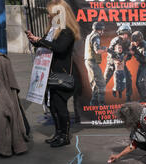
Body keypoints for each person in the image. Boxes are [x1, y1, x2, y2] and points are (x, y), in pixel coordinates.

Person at [26, 0, 81, 148]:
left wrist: (40, 41)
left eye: (51, 14)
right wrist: (35, 40)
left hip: (61, 75)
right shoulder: (54, 30)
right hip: (50, 73)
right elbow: (48, 45)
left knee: (59, 105)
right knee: (52, 105)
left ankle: (64, 136)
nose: (48, 17)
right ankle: (58, 133)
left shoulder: (66, 30)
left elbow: (59, 48)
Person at [104, 23, 133, 102]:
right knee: (104, 80)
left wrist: (125, 57)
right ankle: (96, 99)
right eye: (123, 34)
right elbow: (109, 51)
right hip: (112, 63)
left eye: (127, 34)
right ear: (120, 33)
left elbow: (129, 54)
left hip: (121, 64)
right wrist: (116, 58)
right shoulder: (115, 40)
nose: (125, 36)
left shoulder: (128, 42)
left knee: (129, 79)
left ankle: (128, 98)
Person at [84, 21, 107, 106]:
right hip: (92, 62)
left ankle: (93, 104)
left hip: (88, 61)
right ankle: (101, 104)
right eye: (102, 30)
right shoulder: (96, 36)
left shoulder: (89, 36)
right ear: (99, 29)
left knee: (94, 83)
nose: (102, 32)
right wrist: (105, 50)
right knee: (101, 83)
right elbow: (97, 51)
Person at [130, 31, 146, 102]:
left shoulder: (144, 45)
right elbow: (130, 51)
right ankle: (143, 98)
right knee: (137, 83)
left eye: (137, 41)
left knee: (141, 81)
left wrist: (134, 54)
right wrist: (131, 47)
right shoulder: (134, 43)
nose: (136, 43)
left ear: (140, 40)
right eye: (134, 41)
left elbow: (143, 59)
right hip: (142, 64)